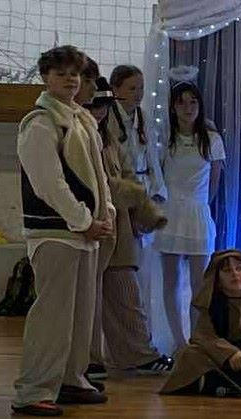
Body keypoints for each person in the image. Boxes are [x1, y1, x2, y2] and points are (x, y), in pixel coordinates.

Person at [13, 45, 117, 417]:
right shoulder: (40, 122)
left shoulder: (82, 120)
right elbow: (49, 185)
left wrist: (105, 213)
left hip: (85, 233)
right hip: (56, 232)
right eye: (61, 74)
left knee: (80, 316)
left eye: (75, 74)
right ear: (46, 78)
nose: (71, 80)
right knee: (53, 316)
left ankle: (71, 379)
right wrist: (83, 220)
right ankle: (33, 389)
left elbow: (99, 177)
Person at [84, 77, 175, 377]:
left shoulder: (107, 139)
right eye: (94, 105)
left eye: (103, 106)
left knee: (125, 294)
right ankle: (89, 359)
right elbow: (95, 184)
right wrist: (135, 195)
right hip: (89, 227)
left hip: (118, 228)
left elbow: (125, 174)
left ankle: (137, 354)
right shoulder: (80, 136)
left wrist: (141, 209)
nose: (99, 112)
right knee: (89, 300)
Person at [160, 249, 241, 397]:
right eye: (227, 271)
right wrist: (230, 354)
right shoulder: (211, 301)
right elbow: (204, 336)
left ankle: (218, 384)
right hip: (221, 357)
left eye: (239, 269)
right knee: (189, 355)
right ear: (218, 279)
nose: (235, 274)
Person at [155, 81, 225, 353]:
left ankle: (198, 338)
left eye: (193, 102)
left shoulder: (212, 139)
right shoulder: (166, 138)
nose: (188, 108)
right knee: (170, 281)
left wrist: (200, 205)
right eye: (181, 102)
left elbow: (214, 182)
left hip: (197, 214)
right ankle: (178, 342)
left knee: (200, 284)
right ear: (173, 107)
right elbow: (157, 174)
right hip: (169, 213)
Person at [110, 65, 167, 202]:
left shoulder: (144, 118)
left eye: (141, 88)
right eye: (132, 89)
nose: (138, 94)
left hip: (142, 187)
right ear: (115, 89)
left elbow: (152, 158)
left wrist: (158, 190)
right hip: (117, 188)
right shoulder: (107, 117)